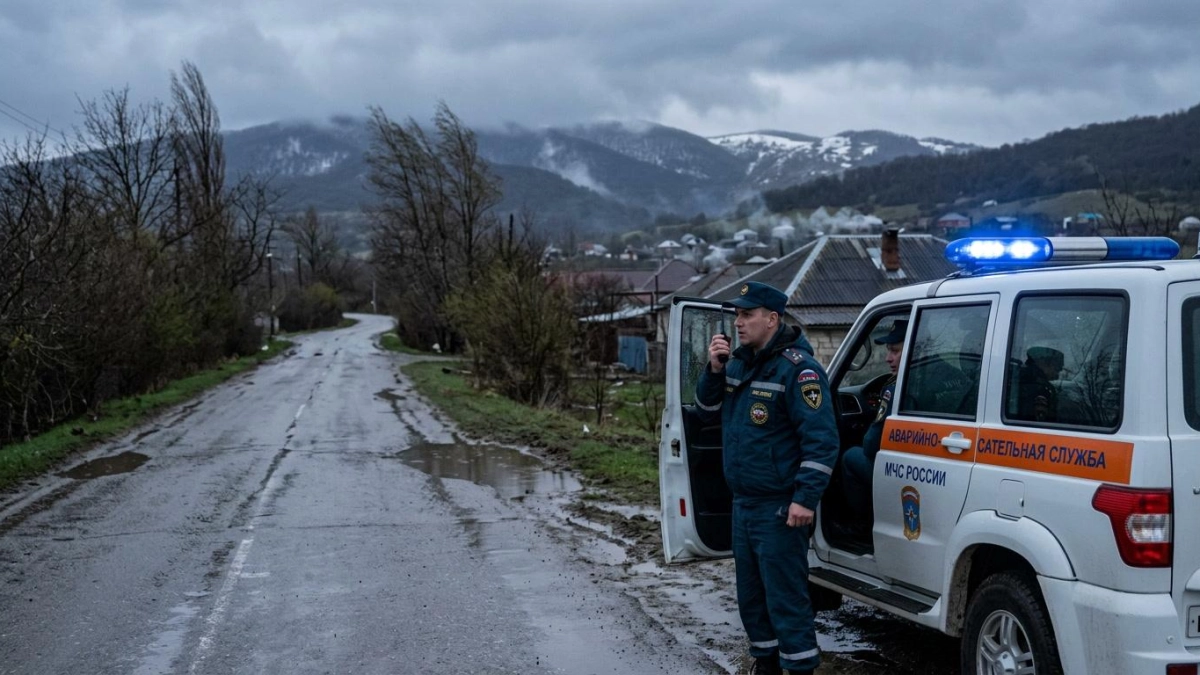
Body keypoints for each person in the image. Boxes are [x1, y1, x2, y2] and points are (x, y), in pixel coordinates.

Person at [695, 281, 839, 675]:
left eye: (747, 314)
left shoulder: (800, 371)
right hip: (744, 504)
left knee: (786, 600)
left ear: (771, 318)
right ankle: (767, 664)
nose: (738, 323)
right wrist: (714, 368)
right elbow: (706, 410)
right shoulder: (738, 363)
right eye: (737, 315)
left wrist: (805, 498)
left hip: (780, 507)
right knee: (753, 600)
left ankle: (799, 668)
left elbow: (822, 442)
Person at [840, 320, 907, 526]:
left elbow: (870, 446)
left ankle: (862, 527)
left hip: (904, 469)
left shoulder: (896, 390)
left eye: (895, 351)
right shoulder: (954, 377)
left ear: (915, 347)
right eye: (888, 351)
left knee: (851, 457)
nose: (888, 358)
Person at [1017, 346, 1064, 422]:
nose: (1057, 375)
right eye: (1056, 369)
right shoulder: (1040, 389)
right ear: (1044, 363)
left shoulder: (1021, 378)